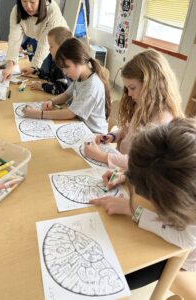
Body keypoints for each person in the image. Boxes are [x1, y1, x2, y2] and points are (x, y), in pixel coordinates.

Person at [90, 117, 196, 294]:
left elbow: (186, 239)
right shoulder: (174, 149)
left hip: (182, 258)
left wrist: (133, 211)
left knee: (123, 276)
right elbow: (156, 164)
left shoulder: (187, 212)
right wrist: (132, 175)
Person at [84, 49, 183, 170]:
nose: (129, 94)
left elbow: (140, 161)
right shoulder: (144, 104)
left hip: (134, 176)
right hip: (121, 170)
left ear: (150, 85)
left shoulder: (162, 120)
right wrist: (114, 136)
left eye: (132, 88)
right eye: (127, 89)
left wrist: (100, 155)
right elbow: (131, 129)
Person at [22, 37, 111, 134]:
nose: (64, 72)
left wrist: (39, 114)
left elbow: (70, 114)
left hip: (93, 134)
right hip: (79, 126)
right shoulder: (81, 76)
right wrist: (52, 101)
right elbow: (66, 94)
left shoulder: (92, 87)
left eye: (67, 67)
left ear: (79, 61)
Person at [2, 0, 68, 81]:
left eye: (32, 2)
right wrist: (10, 65)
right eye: (24, 1)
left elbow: (45, 43)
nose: (28, 6)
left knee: (58, 78)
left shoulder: (52, 10)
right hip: (42, 41)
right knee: (41, 76)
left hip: (60, 43)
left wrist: (34, 66)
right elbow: (14, 39)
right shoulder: (16, 11)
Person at [27, 26, 72, 95]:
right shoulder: (55, 60)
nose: (49, 49)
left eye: (51, 46)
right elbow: (51, 76)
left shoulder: (63, 66)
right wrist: (35, 71)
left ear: (62, 47)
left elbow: (60, 89)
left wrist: (42, 86)